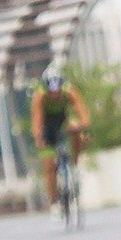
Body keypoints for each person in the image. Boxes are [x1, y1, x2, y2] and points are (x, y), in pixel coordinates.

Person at [31, 68, 90, 216]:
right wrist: (38, 138)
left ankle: (74, 165)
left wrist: (84, 127)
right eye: (52, 92)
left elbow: (81, 111)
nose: (55, 95)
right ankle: (54, 202)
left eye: (57, 91)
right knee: (49, 165)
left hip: (63, 121)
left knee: (77, 130)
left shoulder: (68, 90)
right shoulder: (40, 95)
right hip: (47, 126)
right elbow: (37, 119)